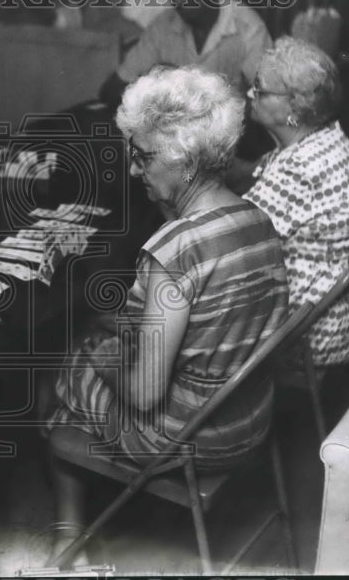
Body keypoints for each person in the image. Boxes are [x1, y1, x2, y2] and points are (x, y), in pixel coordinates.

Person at [46, 66, 289, 557]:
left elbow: (143, 394)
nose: (134, 170)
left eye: (143, 156)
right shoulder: (257, 219)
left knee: (68, 367)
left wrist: (99, 355)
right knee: (105, 338)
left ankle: (67, 536)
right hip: (250, 420)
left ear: (185, 160)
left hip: (190, 440)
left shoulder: (173, 252)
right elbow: (213, 321)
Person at [240, 37, 349, 366]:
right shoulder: (324, 139)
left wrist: (181, 179)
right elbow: (255, 172)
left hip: (306, 333)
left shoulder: (300, 169)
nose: (249, 94)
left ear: (294, 108)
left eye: (259, 89)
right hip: (335, 315)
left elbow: (227, 242)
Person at [98, 0, 272, 109]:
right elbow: (109, 91)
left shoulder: (249, 29)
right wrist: (155, 82)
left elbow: (271, 104)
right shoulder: (163, 25)